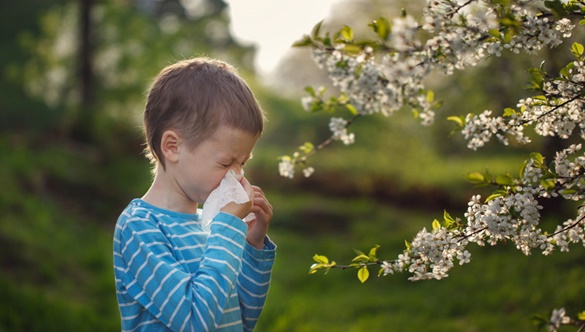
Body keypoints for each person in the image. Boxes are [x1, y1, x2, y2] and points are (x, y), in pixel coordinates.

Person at [113, 57, 276, 331]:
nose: (237, 175)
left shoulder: (212, 225)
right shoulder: (139, 228)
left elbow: (242, 319)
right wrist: (226, 230)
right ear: (173, 147)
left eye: (243, 163)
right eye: (226, 163)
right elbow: (194, 321)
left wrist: (252, 246)